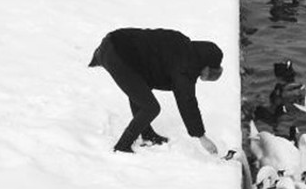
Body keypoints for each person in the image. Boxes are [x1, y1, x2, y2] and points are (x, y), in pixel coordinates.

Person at [88, 27, 223, 154]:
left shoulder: (182, 44)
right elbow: (186, 102)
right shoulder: (185, 68)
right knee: (151, 108)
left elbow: (153, 58)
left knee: (142, 92)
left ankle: (147, 134)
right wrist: (201, 137)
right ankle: (122, 146)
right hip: (117, 54)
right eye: (205, 74)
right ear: (205, 65)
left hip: (115, 42)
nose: (200, 77)